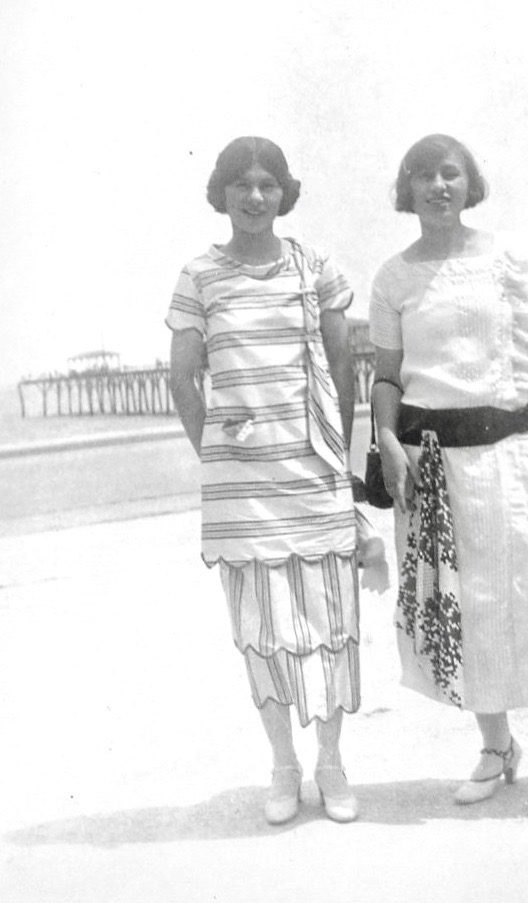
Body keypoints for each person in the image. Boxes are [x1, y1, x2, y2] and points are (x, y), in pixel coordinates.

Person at [369, 134, 528, 832]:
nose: (438, 185)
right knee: (465, 607)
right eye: (424, 175)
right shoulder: (393, 277)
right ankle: (496, 746)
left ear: (469, 182)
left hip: (516, 453)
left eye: (450, 172)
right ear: (406, 189)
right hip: (435, 464)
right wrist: (382, 439)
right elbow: (385, 375)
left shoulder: (510, 257)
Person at [167, 136, 361, 825]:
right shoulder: (198, 276)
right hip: (241, 487)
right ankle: (283, 764)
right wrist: (215, 456)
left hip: (313, 469)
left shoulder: (315, 267)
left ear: (284, 193)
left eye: (267, 184)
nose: (254, 196)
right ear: (220, 193)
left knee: (336, 622)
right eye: (240, 184)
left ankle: (331, 762)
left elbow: (344, 367)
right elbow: (182, 379)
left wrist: (340, 453)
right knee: (260, 630)